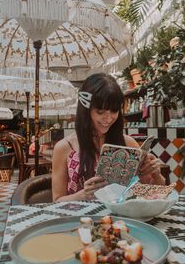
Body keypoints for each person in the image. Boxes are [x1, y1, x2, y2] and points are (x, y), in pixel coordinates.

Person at [52, 73, 165, 202]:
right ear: (86, 110)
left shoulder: (128, 144)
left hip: (122, 219)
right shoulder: (65, 148)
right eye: (100, 112)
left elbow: (151, 194)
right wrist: (84, 195)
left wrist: (157, 175)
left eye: (114, 111)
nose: (108, 118)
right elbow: (56, 200)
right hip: (82, 219)